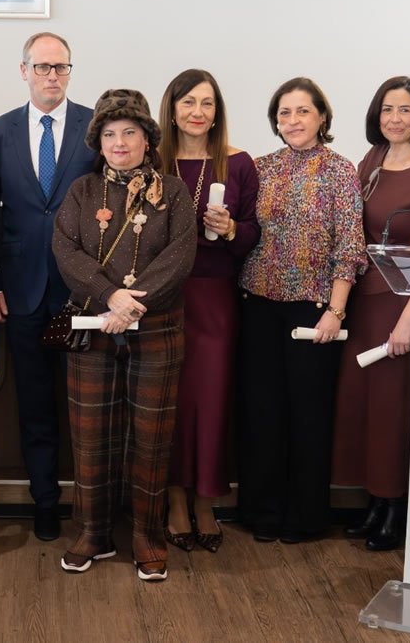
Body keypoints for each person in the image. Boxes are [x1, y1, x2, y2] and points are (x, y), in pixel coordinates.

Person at [52, 89, 196, 582]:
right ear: (99, 141)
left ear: (147, 139)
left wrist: (134, 303)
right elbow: (66, 250)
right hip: (94, 329)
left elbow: (180, 254)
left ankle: (146, 536)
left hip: (157, 329)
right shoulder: (82, 192)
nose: (119, 142)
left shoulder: (174, 192)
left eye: (129, 132)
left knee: (151, 438)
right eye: (110, 134)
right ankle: (93, 532)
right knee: (90, 437)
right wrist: (109, 296)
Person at [0, 31, 96, 542]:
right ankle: (44, 501)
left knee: (87, 404)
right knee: (36, 404)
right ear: (23, 70)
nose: (52, 76)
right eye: (43, 67)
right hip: (22, 295)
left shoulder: (97, 128)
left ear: (70, 72)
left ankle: (92, 506)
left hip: (81, 296)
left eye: (61, 67)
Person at [236, 77, 365, 545]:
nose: (292, 121)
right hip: (257, 305)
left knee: (308, 415)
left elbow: (350, 246)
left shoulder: (340, 169)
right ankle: (262, 511)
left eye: (302, 112)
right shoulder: (258, 167)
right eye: (284, 113)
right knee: (262, 412)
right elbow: (245, 231)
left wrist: (336, 309)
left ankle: (305, 515)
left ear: (322, 117)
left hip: (314, 311)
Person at [331, 76, 410, 552]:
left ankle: (396, 511)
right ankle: (374, 505)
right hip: (362, 300)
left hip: (401, 307)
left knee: (393, 414)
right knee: (364, 410)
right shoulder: (371, 162)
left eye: (405, 110)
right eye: (387, 109)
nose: (395, 119)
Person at [154, 69, 258, 554]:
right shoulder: (151, 160)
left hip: (215, 297)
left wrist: (233, 229)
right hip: (163, 298)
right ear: (171, 108)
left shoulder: (237, 164)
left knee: (211, 400)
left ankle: (205, 501)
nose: (198, 112)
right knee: (168, 399)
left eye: (208, 103)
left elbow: (256, 233)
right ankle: (174, 499)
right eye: (189, 102)